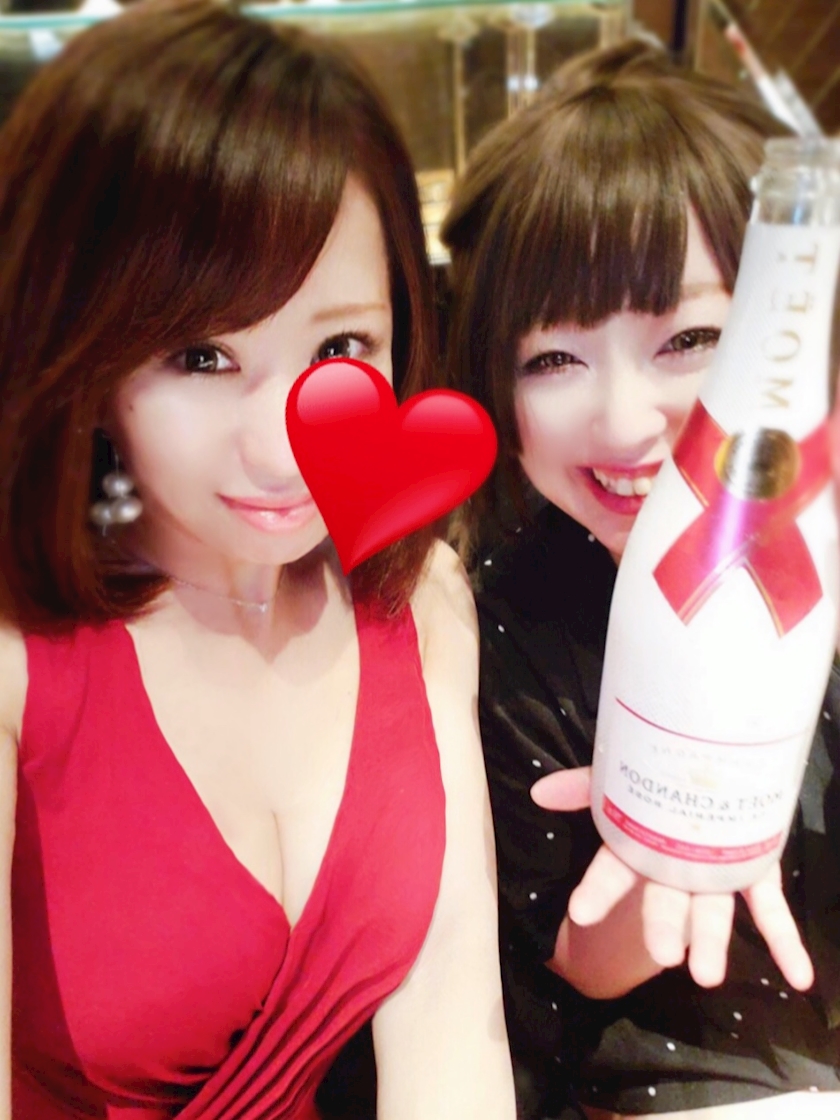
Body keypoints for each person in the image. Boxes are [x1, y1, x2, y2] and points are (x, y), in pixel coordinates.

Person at [0, 2, 517, 1117]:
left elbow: (450, 1042)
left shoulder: (417, 598)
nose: (288, 444)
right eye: (201, 355)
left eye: (341, 346)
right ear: (81, 349)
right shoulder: (19, 662)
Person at [442, 40, 840, 1120]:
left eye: (690, 338)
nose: (624, 423)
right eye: (552, 359)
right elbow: (574, 966)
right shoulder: (503, 623)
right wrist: (657, 859)